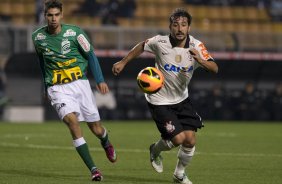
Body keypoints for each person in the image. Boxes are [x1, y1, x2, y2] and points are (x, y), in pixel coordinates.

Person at [112, 8, 218, 184]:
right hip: (159, 100)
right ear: (170, 27)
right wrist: (123, 61)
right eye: (175, 25)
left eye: (183, 25)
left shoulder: (197, 46)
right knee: (177, 139)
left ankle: (179, 174)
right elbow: (141, 46)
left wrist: (201, 61)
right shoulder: (159, 41)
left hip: (182, 99)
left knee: (190, 140)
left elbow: (215, 68)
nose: (179, 29)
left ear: (189, 28)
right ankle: (155, 150)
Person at [32, 0, 117, 181]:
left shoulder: (75, 33)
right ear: (45, 16)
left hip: (80, 84)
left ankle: (105, 141)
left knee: (96, 128)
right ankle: (94, 169)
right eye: (50, 15)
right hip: (57, 88)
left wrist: (100, 80)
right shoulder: (37, 37)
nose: (53, 19)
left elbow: (91, 55)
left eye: (56, 15)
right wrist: (46, 86)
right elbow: (42, 63)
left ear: (62, 15)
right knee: (72, 122)